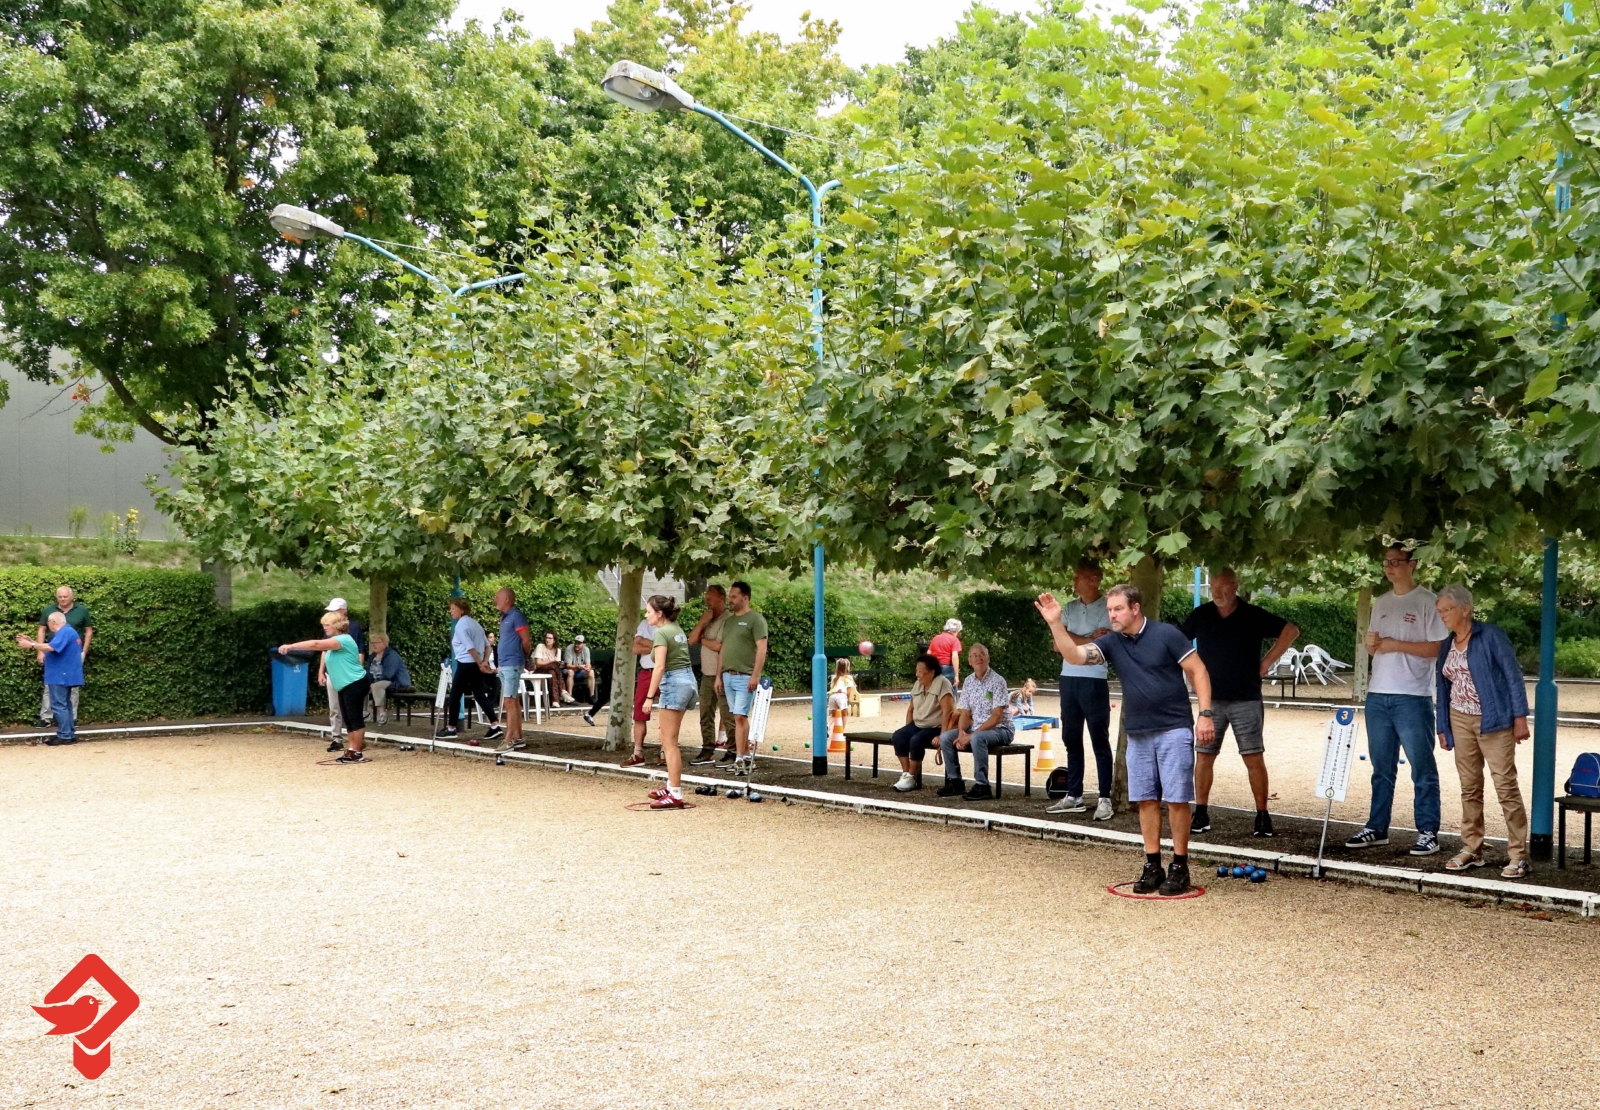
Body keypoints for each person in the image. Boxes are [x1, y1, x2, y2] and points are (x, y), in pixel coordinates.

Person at [1036, 585, 1215, 896]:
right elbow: (1076, 656)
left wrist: (1206, 714)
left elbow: (1198, 671)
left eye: (1117, 609)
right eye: (1109, 610)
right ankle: (1153, 865)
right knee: (1146, 799)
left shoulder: (1167, 634)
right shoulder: (1112, 641)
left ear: (1135, 608)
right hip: (1138, 732)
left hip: (1174, 728)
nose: (1112, 615)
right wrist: (1055, 623)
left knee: (1176, 799)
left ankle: (1180, 866)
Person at [1179, 567, 1299, 838]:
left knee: (1253, 756)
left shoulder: (1252, 614)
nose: (1217, 592)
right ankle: (1201, 812)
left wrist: (1267, 661)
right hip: (1210, 699)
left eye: (1222, 587)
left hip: (1246, 697)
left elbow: (1290, 631)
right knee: (1204, 755)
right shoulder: (1201, 614)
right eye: (1213, 587)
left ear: (1235, 586)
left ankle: (1262, 815)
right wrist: (1191, 671)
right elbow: (1178, 642)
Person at [1346, 544, 1448, 856]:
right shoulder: (1381, 602)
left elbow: (1439, 648)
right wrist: (1371, 644)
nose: (1389, 567)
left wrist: (1396, 644)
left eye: (1396, 562)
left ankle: (1428, 831)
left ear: (1412, 564)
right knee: (1381, 768)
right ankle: (1377, 828)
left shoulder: (1428, 601)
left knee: (1422, 767)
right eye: (1386, 562)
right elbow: (1375, 648)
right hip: (1378, 695)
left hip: (1413, 696)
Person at [1434, 585, 1531, 878]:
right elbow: (1442, 687)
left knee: (1505, 786)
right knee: (1469, 787)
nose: (1442, 616)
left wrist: (1520, 718)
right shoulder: (1446, 644)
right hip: (1459, 718)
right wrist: (1442, 726)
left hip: (1494, 719)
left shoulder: (1491, 635)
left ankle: (1518, 855)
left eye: (1447, 610)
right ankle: (1472, 848)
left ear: (1465, 609)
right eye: (1440, 611)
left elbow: (1513, 676)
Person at [1049, 560, 1115, 820]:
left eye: (1079, 577)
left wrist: (1070, 638)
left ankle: (1105, 797)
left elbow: (1105, 642)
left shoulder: (1107, 608)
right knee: (1071, 738)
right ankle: (1074, 794)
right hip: (1068, 679)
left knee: (1099, 739)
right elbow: (1058, 644)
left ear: (1094, 580)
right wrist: (1087, 638)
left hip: (1094, 679)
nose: (1074, 581)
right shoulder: (1069, 608)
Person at [279, 611, 371, 763]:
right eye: (323, 625)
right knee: (348, 718)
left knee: (355, 717)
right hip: (344, 684)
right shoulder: (335, 641)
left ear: (337, 625)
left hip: (355, 682)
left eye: (327, 625)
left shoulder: (343, 639)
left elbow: (315, 645)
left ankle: (356, 752)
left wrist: (291, 646)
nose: (324, 628)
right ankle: (352, 749)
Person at [633, 595, 698, 808]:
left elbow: (659, 666)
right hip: (688, 680)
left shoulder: (661, 633)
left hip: (673, 682)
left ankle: (675, 794)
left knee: (669, 742)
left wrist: (649, 697)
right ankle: (671, 786)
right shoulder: (676, 628)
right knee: (666, 737)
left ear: (659, 613)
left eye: (648, 611)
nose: (646, 615)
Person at [936, 644, 1014, 802]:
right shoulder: (969, 681)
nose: (978, 658)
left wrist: (971, 736)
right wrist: (961, 733)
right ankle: (955, 781)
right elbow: (965, 712)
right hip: (976, 727)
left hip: (1001, 729)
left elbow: (997, 717)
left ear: (988, 658)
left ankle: (982, 785)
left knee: (977, 739)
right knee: (945, 737)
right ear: (969, 661)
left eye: (982, 654)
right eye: (974, 655)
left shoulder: (998, 681)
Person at [716, 581, 769, 775]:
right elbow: (723, 649)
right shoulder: (729, 622)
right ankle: (745, 756)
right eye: (730, 596)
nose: (730, 600)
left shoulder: (756, 620)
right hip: (728, 676)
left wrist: (755, 675)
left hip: (744, 676)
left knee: (740, 715)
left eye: (734, 596)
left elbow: (762, 648)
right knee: (736, 716)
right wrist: (718, 676)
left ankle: (740, 757)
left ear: (745, 598)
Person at [437, 598, 502, 744]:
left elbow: (469, 647)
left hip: (466, 664)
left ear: (461, 610)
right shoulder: (476, 624)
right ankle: (495, 725)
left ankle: (451, 728)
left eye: (453, 608)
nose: (450, 611)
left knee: (455, 695)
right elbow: (488, 646)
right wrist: (483, 662)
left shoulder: (461, 625)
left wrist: (480, 663)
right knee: (479, 695)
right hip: (476, 665)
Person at [891, 653, 955, 792]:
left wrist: (942, 736)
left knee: (916, 740)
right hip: (918, 723)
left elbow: (948, 713)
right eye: (916, 671)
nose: (917, 675)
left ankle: (911, 777)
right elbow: (910, 709)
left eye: (920, 671)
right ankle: (907, 774)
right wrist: (907, 729)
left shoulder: (943, 683)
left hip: (936, 726)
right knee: (899, 736)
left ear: (931, 672)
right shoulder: (918, 684)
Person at [17, 611, 83, 745]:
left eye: (48, 622)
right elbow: (52, 646)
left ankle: (65, 735)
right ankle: (68, 733)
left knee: (59, 705)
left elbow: (52, 647)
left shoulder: (64, 632)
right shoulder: (68, 631)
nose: (48, 625)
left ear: (53, 622)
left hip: (60, 674)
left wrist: (31, 645)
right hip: (66, 673)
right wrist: (32, 642)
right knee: (65, 705)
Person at [35, 585, 92, 729]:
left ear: (72, 597)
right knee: (51, 685)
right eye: (60, 597)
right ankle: (47, 717)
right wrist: (40, 651)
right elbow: (42, 630)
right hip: (54, 653)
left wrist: (84, 651)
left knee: (72, 687)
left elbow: (88, 631)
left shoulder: (81, 611)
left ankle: (70, 719)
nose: (62, 599)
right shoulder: (49, 610)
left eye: (65, 596)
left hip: (72, 654)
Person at [687, 584, 730, 765]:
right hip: (707, 673)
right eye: (706, 597)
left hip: (723, 673)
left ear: (721, 598)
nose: (707, 600)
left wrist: (703, 640)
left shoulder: (728, 619)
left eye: (710, 597)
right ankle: (707, 749)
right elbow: (691, 640)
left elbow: (720, 646)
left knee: (727, 714)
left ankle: (732, 750)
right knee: (705, 713)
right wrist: (702, 622)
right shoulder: (708, 619)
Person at [319, 598, 365, 753]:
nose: (332, 613)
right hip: (333, 673)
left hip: (348, 676)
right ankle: (338, 739)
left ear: (343, 611)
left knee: (352, 712)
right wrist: (321, 671)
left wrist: (356, 671)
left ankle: (356, 745)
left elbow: (359, 651)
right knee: (337, 708)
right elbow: (324, 650)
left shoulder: (351, 630)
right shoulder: (330, 629)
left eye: (335, 610)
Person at [494, 588, 533, 751]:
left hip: (512, 663)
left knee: (508, 701)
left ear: (507, 599)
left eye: (497, 597)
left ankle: (508, 739)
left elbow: (526, 641)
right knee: (513, 700)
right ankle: (518, 737)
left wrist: (524, 657)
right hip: (505, 663)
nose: (495, 599)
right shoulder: (505, 617)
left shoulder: (516, 616)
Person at [621, 612, 657, 766]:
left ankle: (665, 751)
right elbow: (635, 647)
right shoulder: (644, 623)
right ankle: (637, 753)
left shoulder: (669, 625)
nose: (647, 614)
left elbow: (668, 649)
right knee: (639, 713)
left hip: (665, 671)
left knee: (667, 712)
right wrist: (656, 645)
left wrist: (645, 642)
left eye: (650, 610)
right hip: (646, 672)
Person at [365, 634, 413, 725]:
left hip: (396, 683)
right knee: (359, 686)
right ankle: (367, 713)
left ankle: (382, 714)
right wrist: (368, 682)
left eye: (376, 642)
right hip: (378, 682)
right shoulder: (372, 656)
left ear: (384, 643)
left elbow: (388, 674)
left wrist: (374, 683)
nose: (373, 645)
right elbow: (368, 672)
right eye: (372, 643)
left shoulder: (392, 655)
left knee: (377, 686)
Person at [531, 630, 571, 705]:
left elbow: (557, 666)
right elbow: (538, 663)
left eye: (550, 638)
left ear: (554, 640)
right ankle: (563, 690)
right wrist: (551, 661)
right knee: (553, 665)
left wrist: (558, 663)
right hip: (538, 671)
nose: (547, 640)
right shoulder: (540, 646)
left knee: (552, 672)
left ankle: (555, 701)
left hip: (551, 672)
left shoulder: (557, 650)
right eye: (546, 638)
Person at [928, 618, 963, 685]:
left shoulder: (935, 638)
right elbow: (954, 657)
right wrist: (956, 675)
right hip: (947, 668)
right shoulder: (954, 640)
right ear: (955, 630)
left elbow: (928, 654)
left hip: (935, 668)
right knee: (950, 690)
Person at [563, 634, 594, 704]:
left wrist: (588, 668)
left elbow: (588, 663)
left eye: (579, 643)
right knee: (570, 672)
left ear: (584, 644)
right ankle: (570, 697)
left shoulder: (586, 650)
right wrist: (578, 667)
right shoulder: (569, 648)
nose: (576, 645)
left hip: (580, 671)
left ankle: (592, 696)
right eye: (575, 642)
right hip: (568, 670)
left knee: (591, 672)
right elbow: (568, 665)